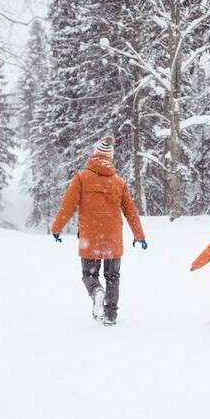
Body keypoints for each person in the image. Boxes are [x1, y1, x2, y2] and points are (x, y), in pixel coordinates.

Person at [51, 136, 147, 326]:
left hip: (90, 237)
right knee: (113, 277)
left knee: (89, 275)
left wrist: (57, 228)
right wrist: (139, 235)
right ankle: (110, 315)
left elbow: (67, 206)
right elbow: (131, 211)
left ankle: (96, 291)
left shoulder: (81, 178)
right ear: (110, 158)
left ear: (94, 155)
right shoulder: (119, 182)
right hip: (112, 239)